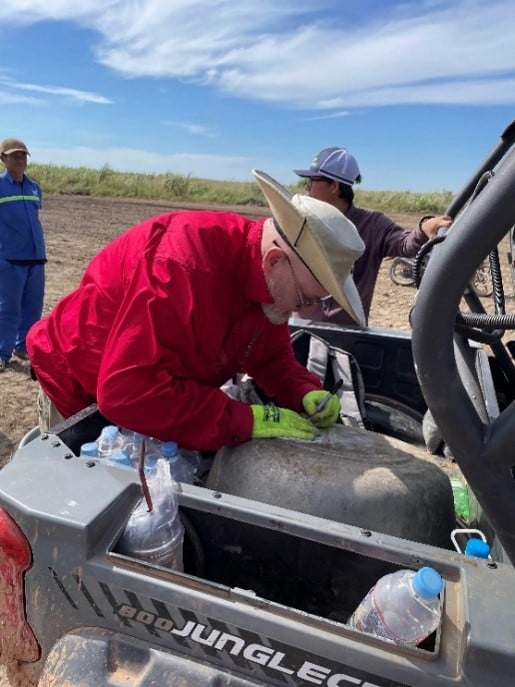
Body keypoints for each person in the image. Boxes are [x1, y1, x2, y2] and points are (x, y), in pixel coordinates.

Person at [27, 169, 366, 451]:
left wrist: (304, 390)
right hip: (78, 392)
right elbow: (125, 392)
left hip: (145, 400)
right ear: (274, 261)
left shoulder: (270, 288)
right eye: (304, 299)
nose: (302, 311)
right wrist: (243, 420)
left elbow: (268, 356)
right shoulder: (182, 267)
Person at [294, 147, 453, 325]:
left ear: (334, 186)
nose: (306, 188)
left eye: (312, 180)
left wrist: (423, 229)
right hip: (301, 325)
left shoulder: (372, 225)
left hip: (345, 332)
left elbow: (403, 244)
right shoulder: (300, 219)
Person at [0, 138, 46, 372]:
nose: (20, 159)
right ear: (3, 158)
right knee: (8, 308)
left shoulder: (34, 187)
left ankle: (24, 347)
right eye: (14, 155)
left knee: (32, 307)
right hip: (8, 258)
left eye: (23, 156)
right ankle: (2, 353)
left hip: (36, 257)